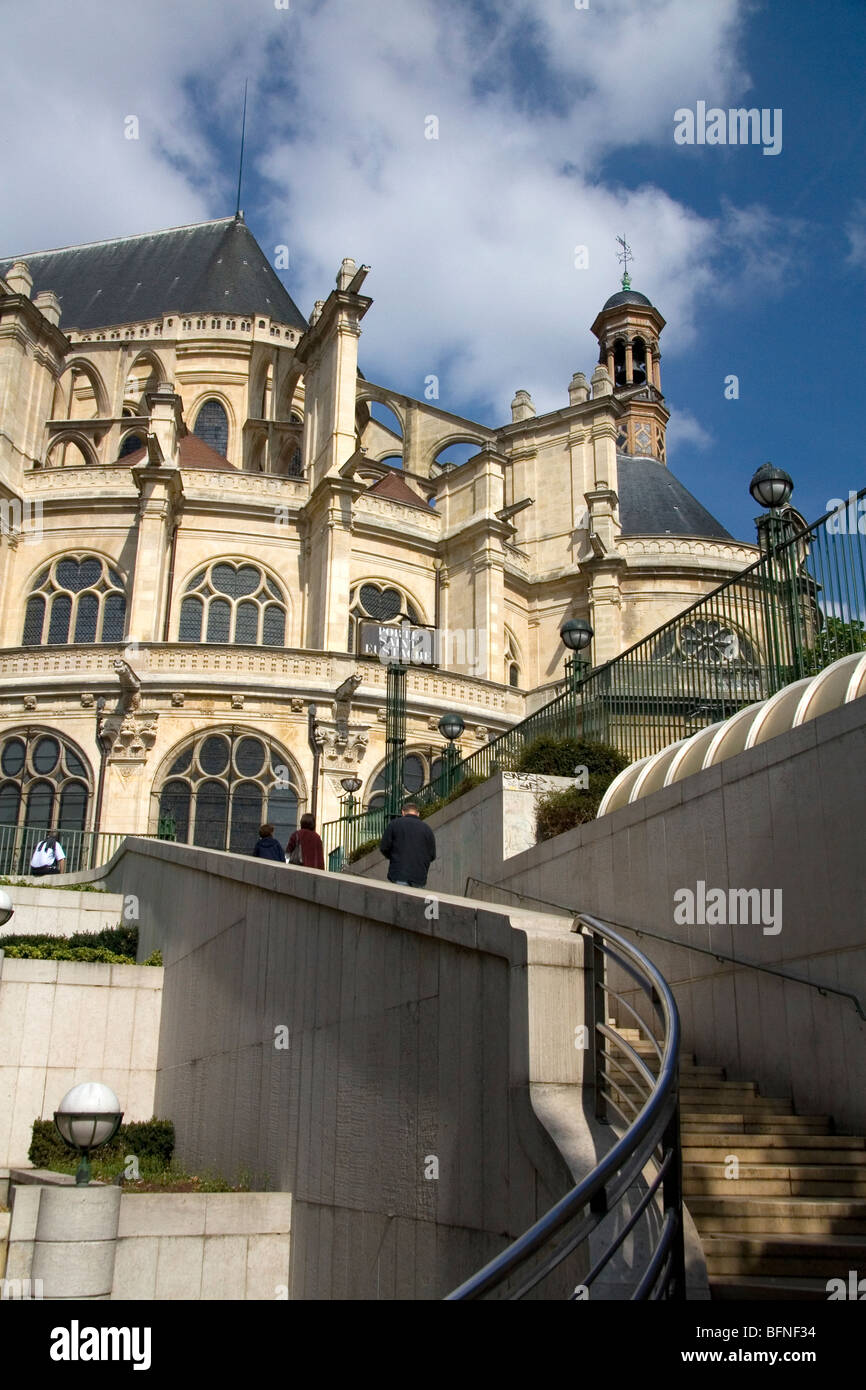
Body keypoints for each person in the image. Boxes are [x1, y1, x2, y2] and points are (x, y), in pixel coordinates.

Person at [379, 802, 436, 888]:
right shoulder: (427, 829)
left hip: (399, 873)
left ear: (403, 812)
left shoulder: (394, 824)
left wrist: (394, 857)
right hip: (419, 877)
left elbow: (384, 847)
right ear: (418, 814)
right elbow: (432, 855)